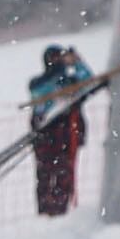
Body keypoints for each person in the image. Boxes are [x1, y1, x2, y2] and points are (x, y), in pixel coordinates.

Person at [26, 45, 95, 216]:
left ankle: (61, 212)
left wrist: (77, 63)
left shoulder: (70, 81)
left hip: (66, 136)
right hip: (47, 138)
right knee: (46, 179)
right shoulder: (39, 83)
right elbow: (41, 96)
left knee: (64, 177)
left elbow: (89, 81)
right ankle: (47, 214)